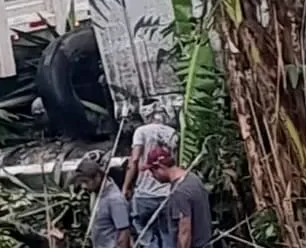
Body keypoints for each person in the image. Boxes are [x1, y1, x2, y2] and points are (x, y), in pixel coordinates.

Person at [122, 103, 178, 248]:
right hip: (167, 193)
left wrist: (126, 187)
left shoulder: (141, 131)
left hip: (145, 194)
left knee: (144, 231)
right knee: (167, 235)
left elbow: (134, 161)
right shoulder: (172, 133)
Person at [145, 148, 212, 248]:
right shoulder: (193, 178)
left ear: (161, 167)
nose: (152, 176)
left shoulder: (179, 192)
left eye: (153, 171)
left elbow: (185, 232)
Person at [74, 158, 131, 248]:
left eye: (86, 182)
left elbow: (124, 233)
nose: (83, 186)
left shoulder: (115, 200)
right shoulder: (97, 194)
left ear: (97, 177)